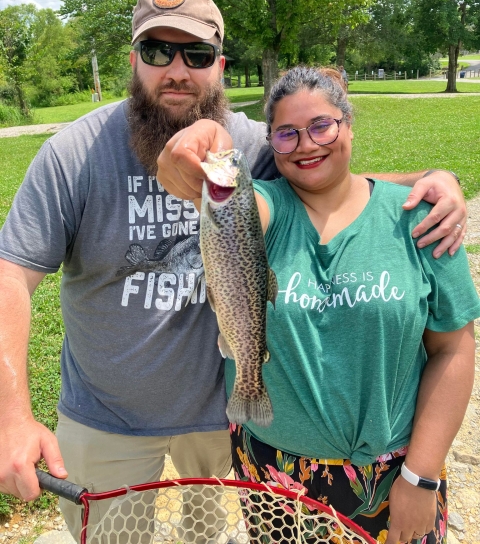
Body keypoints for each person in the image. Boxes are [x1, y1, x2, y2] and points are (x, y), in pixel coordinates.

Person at [0, 0, 467, 541]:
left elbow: (326, 181)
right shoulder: (72, 154)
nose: (177, 70)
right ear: (133, 61)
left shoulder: (250, 146)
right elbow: (11, 276)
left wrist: (429, 183)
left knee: (209, 536)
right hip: (106, 417)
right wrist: (12, 417)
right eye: (157, 52)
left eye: (196, 55)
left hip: (223, 420)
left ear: (219, 64)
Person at [162, 67, 479, 544]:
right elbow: (234, 203)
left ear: (349, 123)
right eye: (286, 135)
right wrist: (207, 137)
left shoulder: (422, 217)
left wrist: (422, 476)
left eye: (322, 126)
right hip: (272, 471)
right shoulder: (261, 205)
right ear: (271, 145)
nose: (306, 145)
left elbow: (453, 351)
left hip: (395, 474)